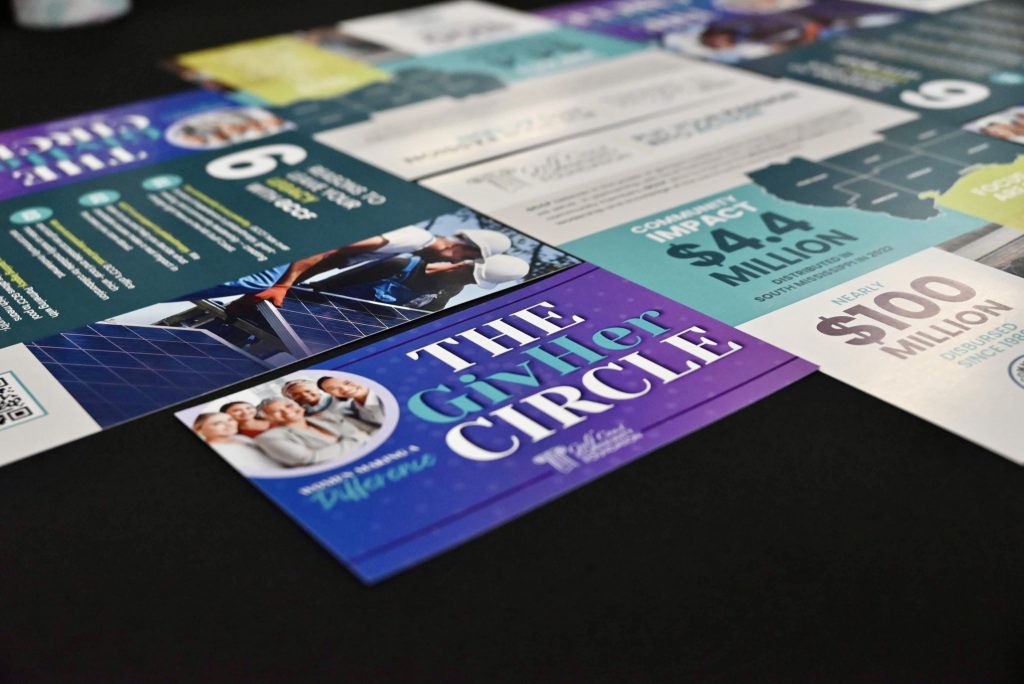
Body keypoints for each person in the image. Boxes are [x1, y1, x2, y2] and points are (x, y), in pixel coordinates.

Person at [185, 226, 513, 310]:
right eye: (464, 261)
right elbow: (331, 244)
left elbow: (335, 260)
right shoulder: (414, 238)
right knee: (204, 284)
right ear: (464, 249)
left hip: (292, 267)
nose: (455, 265)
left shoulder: (414, 247)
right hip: (286, 260)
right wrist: (283, 283)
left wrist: (285, 286)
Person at [313, 253, 531, 311]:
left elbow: (424, 316)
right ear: (464, 265)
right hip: (323, 307)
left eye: (474, 283)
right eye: (470, 278)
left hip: (357, 326)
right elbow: (329, 285)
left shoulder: (453, 288)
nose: (468, 284)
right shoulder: (400, 264)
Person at [254, 398, 369, 468]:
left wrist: (325, 451)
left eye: (289, 406)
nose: (287, 411)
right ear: (267, 419)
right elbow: (308, 459)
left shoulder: (327, 417)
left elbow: (367, 432)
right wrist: (355, 439)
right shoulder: (269, 437)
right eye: (276, 411)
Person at [192, 412, 275, 472]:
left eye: (230, 420)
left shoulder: (241, 438)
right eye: (217, 423)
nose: (229, 424)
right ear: (199, 430)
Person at [317, 376, 385, 426]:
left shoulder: (384, 396)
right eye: (333, 388)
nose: (345, 389)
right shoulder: (353, 407)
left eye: (347, 382)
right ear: (329, 394)